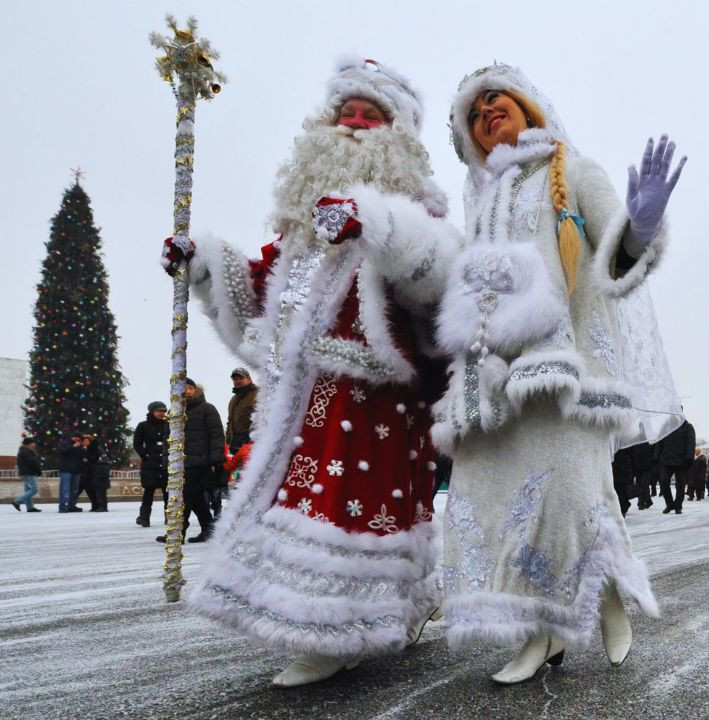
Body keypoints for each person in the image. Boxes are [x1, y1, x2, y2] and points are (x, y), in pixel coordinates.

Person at [166, 58, 457, 687]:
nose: (353, 124)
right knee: (305, 506)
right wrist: (204, 263)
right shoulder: (302, 229)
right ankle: (365, 613)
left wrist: (375, 226)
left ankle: (335, 630)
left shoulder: (417, 213)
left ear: (397, 134)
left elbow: (437, 279)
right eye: (345, 113)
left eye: (370, 116)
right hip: (297, 398)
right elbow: (261, 288)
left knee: (352, 510)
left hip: (372, 400)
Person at [435, 63, 685, 684]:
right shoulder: (482, 201)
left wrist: (642, 227)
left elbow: (617, 260)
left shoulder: (571, 169)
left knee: (569, 497)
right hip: (497, 382)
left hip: (568, 373)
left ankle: (589, 603)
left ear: (527, 105)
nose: (487, 112)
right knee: (509, 506)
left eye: (496, 99)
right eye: (474, 113)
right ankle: (549, 625)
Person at [154, 379, 222, 542]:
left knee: (183, 496)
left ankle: (177, 532)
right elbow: (168, 439)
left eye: (191, 387)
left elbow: (217, 435)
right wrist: (167, 462)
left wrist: (215, 460)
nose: (187, 391)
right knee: (196, 497)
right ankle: (209, 529)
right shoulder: (173, 412)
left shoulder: (207, 409)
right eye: (184, 388)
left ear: (196, 390)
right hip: (178, 462)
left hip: (199, 462)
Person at [133, 401, 169, 528]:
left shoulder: (169, 425)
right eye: (158, 410)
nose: (161, 413)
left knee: (168, 493)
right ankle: (144, 518)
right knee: (148, 491)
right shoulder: (143, 426)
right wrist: (145, 455)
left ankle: (170, 518)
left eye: (163, 411)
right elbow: (137, 443)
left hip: (166, 463)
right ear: (152, 411)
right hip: (150, 464)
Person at [655, 418, 696, 514]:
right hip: (666, 460)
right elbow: (659, 441)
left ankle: (678, 506)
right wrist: (656, 456)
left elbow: (691, 443)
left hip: (682, 461)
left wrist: (689, 457)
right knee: (663, 481)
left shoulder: (687, 426)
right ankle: (669, 504)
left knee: (680, 485)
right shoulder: (665, 426)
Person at [225, 367, 258, 457]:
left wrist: (253, 442)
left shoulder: (258, 395)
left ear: (249, 379)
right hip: (234, 445)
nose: (238, 381)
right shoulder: (233, 399)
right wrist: (227, 442)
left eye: (241, 378)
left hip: (250, 445)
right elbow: (230, 422)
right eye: (235, 379)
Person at [56, 433, 84, 513]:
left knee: (74, 489)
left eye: (79, 438)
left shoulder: (80, 446)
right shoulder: (64, 443)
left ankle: (71, 505)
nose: (77, 440)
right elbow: (62, 452)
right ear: (72, 437)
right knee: (65, 488)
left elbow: (81, 457)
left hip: (76, 470)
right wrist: (73, 447)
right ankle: (62, 506)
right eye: (76, 437)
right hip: (66, 469)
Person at [83, 433, 112, 512]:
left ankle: (103, 506)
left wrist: (88, 458)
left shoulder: (95, 448)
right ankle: (97, 506)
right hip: (95, 472)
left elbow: (99, 459)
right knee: (95, 489)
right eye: (84, 441)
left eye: (86, 441)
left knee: (100, 490)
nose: (85, 442)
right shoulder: (89, 449)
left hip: (100, 471)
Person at [14, 438, 42, 512]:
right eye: (33, 442)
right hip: (29, 472)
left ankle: (30, 507)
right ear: (29, 444)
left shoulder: (23, 450)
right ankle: (17, 501)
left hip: (25, 472)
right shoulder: (27, 451)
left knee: (28, 490)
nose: (35, 444)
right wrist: (38, 470)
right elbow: (32, 462)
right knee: (34, 489)